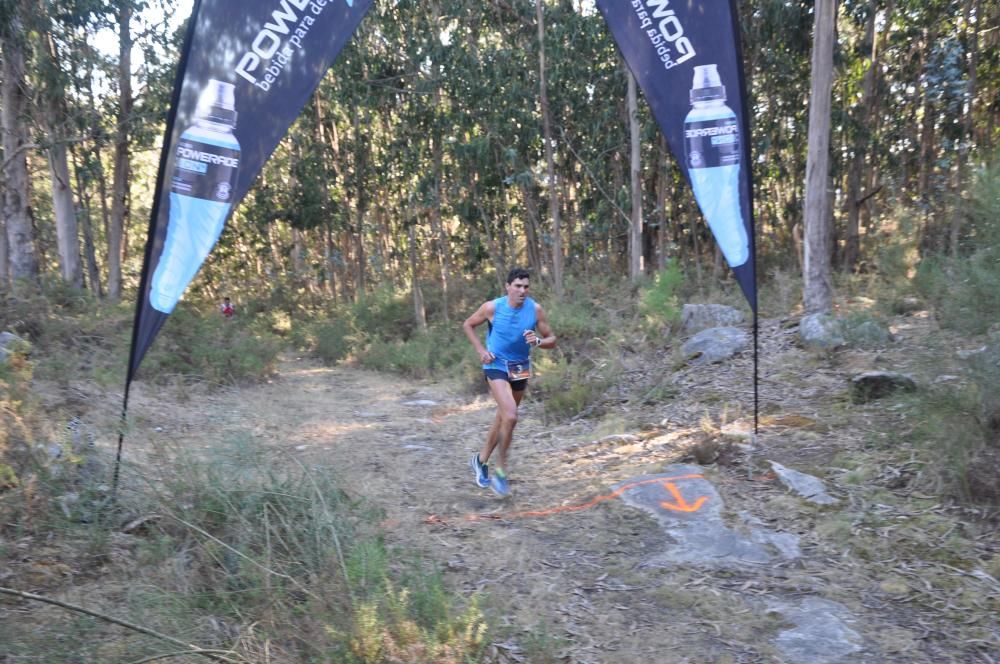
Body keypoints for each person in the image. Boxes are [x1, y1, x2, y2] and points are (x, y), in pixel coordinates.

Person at [462, 268, 556, 497]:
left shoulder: (535, 310)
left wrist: (538, 341)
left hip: (520, 367)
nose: (522, 290)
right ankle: (501, 473)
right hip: (496, 364)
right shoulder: (492, 307)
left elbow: (552, 340)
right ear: (508, 286)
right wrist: (481, 350)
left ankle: (480, 460)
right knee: (511, 415)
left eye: (526, 286)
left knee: (505, 416)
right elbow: (468, 324)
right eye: (518, 286)